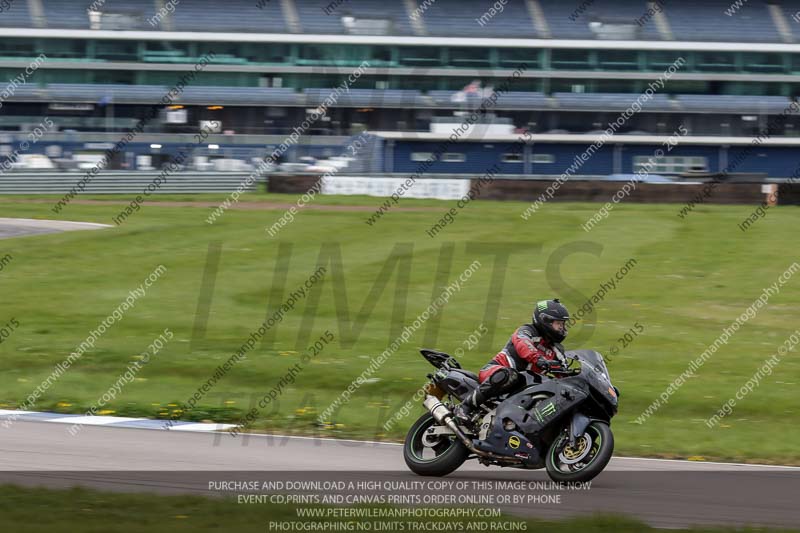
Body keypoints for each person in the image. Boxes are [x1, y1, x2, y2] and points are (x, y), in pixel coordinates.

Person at [454, 299, 570, 421]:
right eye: (559, 324)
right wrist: (539, 359)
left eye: (563, 324)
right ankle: (465, 407)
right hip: (496, 372)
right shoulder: (527, 331)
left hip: (524, 387)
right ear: (545, 320)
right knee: (511, 375)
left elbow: (564, 373)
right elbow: (523, 344)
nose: (562, 328)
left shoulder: (557, 349)